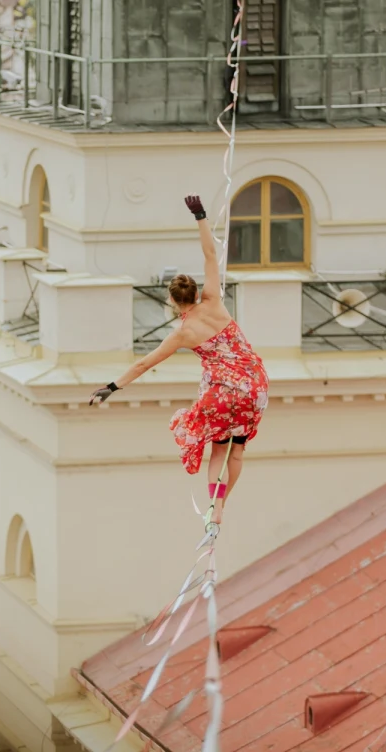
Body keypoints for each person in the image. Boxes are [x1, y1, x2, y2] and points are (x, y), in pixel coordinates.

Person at [90, 195, 268, 530]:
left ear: (172, 301)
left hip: (223, 394)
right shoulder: (214, 300)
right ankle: (223, 506)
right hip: (254, 385)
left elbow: (144, 364)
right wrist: (199, 215)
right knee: (237, 453)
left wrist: (111, 388)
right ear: (195, 291)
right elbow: (210, 254)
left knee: (217, 453)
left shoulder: (182, 334)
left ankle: (214, 509)